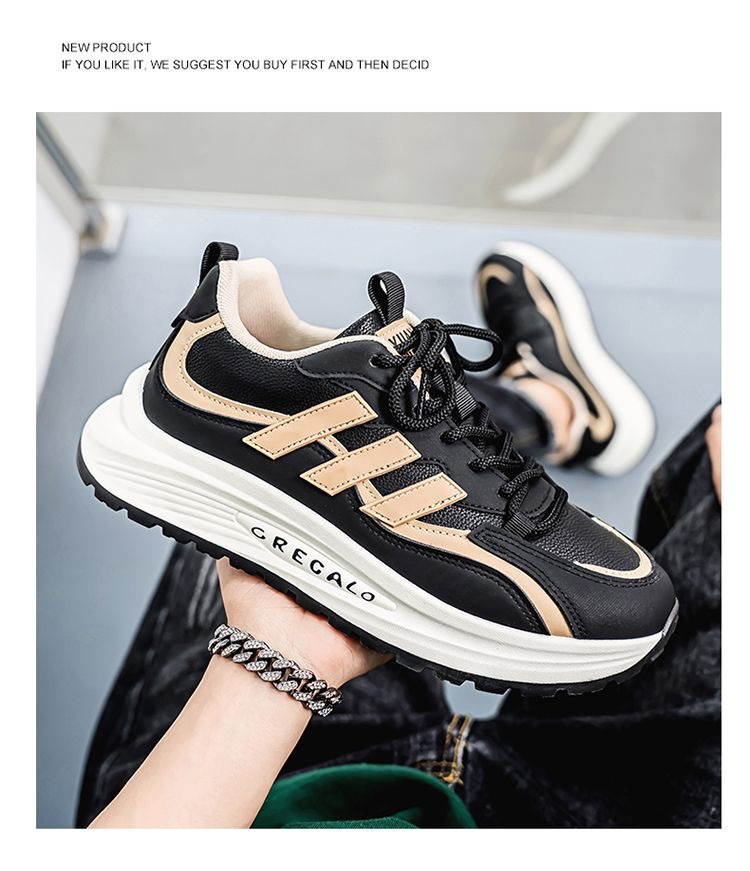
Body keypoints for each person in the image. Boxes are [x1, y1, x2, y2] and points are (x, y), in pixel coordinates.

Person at [77, 244, 720, 828]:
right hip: (589, 812)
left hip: (240, 780)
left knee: (390, 412)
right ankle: (552, 407)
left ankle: (538, 405)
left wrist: (272, 662)